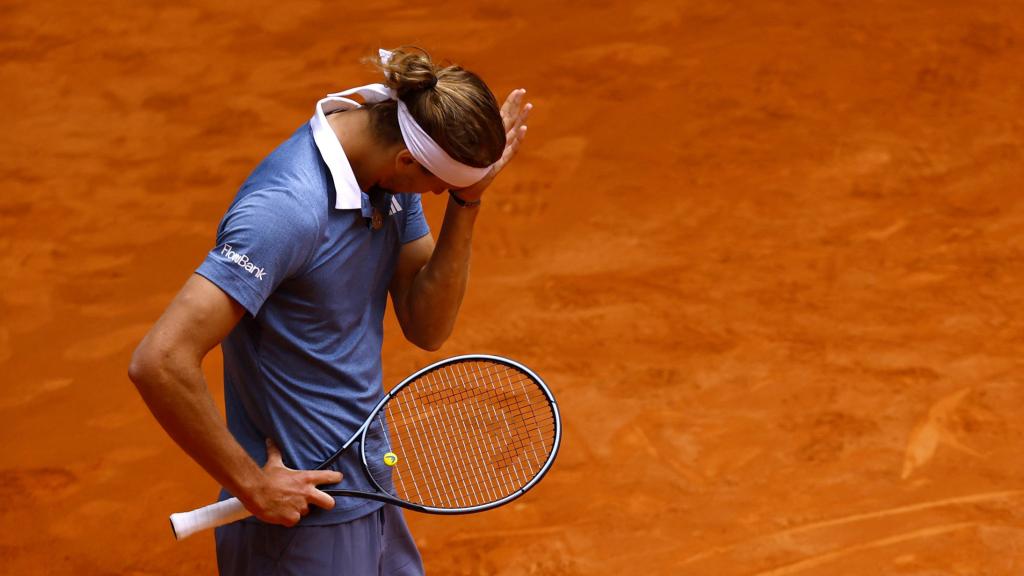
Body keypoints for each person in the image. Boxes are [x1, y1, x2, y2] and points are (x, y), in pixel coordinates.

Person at [128, 46, 531, 574]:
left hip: (369, 488)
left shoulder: (386, 171)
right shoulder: (285, 211)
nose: (435, 193)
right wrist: (252, 485)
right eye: (439, 184)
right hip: (301, 523)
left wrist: (466, 202)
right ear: (407, 161)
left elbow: (426, 324)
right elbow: (159, 359)